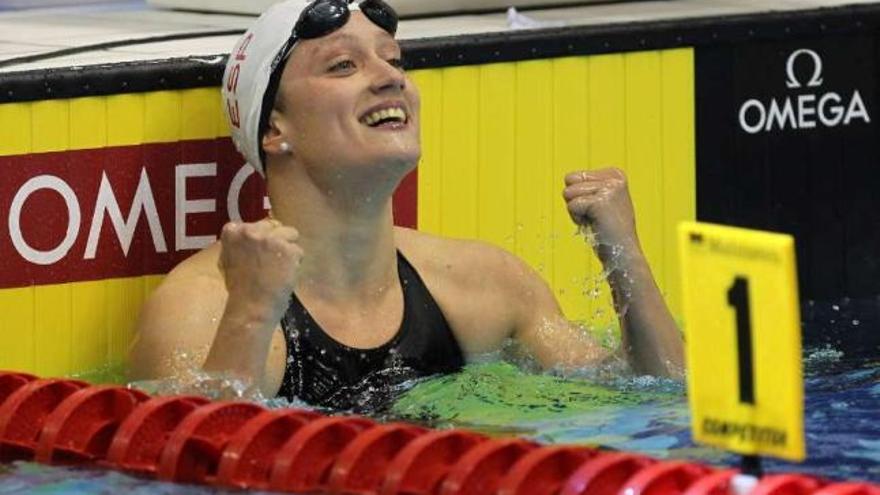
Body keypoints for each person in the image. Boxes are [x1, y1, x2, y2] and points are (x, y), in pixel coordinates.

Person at [129, 0, 683, 409]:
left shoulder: (479, 283)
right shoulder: (204, 306)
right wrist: (251, 313)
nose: (390, 77)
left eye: (393, 60)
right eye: (343, 66)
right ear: (274, 129)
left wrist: (623, 255)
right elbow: (186, 466)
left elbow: (657, 400)